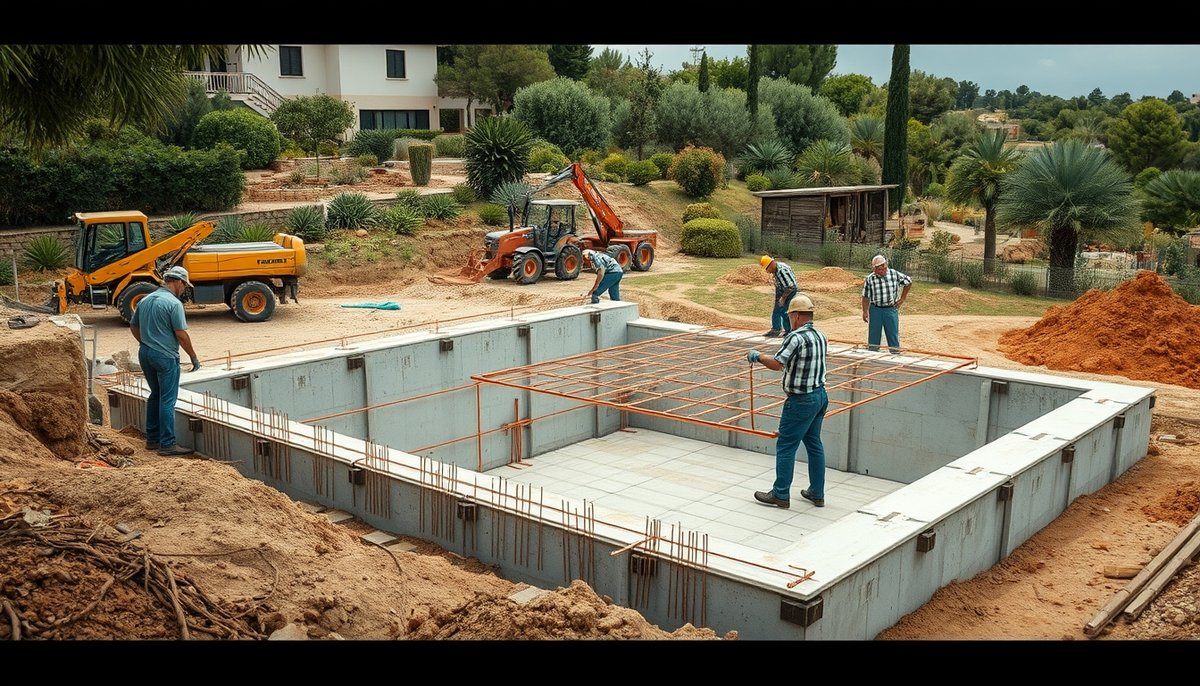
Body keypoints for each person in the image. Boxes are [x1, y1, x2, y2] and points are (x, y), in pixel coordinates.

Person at [744, 295, 829, 509]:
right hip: (820, 396)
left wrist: (759, 356)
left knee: (786, 446)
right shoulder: (821, 336)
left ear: (797, 315)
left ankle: (780, 494)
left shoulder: (795, 338)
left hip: (801, 401)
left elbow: (777, 363)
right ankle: (817, 493)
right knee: (814, 444)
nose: (789, 319)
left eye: (790, 315)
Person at [129, 265, 202, 456]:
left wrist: (147, 343)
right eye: (184, 285)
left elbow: (134, 327)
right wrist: (193, 357)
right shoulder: (173, 304)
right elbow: (181, 335)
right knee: (168, 399)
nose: (184, 289)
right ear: (178, 282)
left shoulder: (145, 300)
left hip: (145, 354)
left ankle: (152, 439)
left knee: (155, 394)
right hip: (165, 357)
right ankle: (167, 443)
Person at [861, 254, 912, 354]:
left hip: (890, 309)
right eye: (878, 269)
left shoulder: (894, 274)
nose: (881, 271)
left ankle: (895, 354)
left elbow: (908, 282)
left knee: (892, 334)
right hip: (875, 309)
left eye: (883, 268)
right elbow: (865, 296)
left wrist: (903, 298)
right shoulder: (870, 279)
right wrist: (865, 311)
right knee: (874, 335)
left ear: (886, 266)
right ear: (874, 269)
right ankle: (872, 354)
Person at [759, 255, 798, 337]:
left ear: (771, 264)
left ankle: (789, 331)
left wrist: (783, 298)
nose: (767, 271)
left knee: (785, 310)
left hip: (789, 290)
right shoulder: (775, 269)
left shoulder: (782, 271)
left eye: (767, 268)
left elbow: (790, 287)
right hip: (781, 288)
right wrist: (778, 298)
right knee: (777, 308)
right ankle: (776, 329)